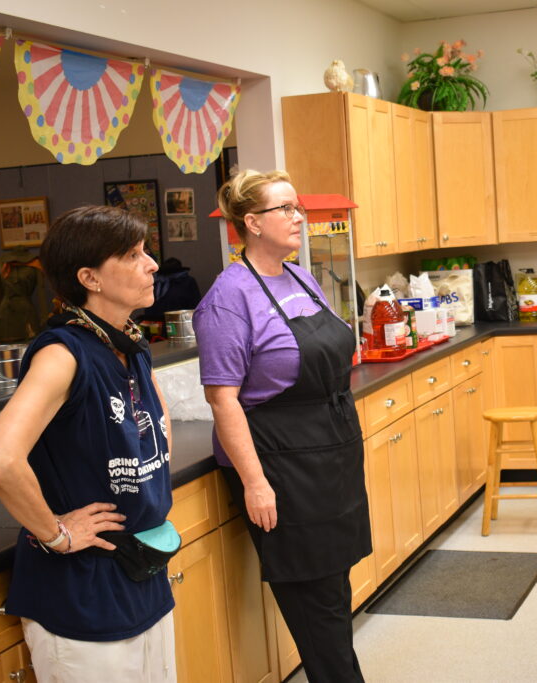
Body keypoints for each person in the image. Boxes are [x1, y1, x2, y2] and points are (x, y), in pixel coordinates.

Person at [0, 205, 176, 681]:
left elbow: (158, 420)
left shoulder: (128, 343)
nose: (151, 264)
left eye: (146, 251)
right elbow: (1, 462)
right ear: (89, 277)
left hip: (140, 573)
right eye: (132, 255)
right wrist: (57, 533)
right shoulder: (62, 353)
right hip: (83, 592)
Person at [194, 170, 370, 682]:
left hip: (330, 449)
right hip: (280, 462)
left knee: (333, 588)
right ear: (251, 223)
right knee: (315, 598)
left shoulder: (299, 276)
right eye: (286, 209)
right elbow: (223, 401)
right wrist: (255, 483)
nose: (300, 218)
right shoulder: (229, 298)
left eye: (299, 208)